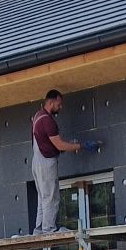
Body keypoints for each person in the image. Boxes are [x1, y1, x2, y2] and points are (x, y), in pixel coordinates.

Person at [31, 89, 85, 234]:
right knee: (51, 196)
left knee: (42, 196)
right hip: (46, 162)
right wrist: (78, 146)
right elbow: (59, 145)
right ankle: (49, 229)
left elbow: (50, 144)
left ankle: (39, 229)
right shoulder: (47, 121)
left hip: (36, 161)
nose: (60, 107)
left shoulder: (37, 116)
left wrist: (67, 146)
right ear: (51, 101)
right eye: (59, 104)